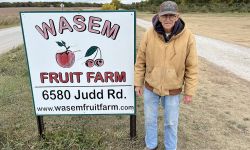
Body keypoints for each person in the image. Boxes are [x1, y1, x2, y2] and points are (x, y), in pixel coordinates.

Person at [134, 1, 198, 150]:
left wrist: (189, 91)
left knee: (171, 122)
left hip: (173, 88)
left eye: (171, 15)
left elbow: (192, 66)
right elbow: (140, 60)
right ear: (159, 16)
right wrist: (138, 82)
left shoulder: (188, 36)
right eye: (164, 16)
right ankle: (151, 145)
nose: (167, 19)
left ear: (177, 16)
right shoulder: (149, 33)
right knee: (150, 119)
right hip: (151, 85)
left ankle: (170, 147)